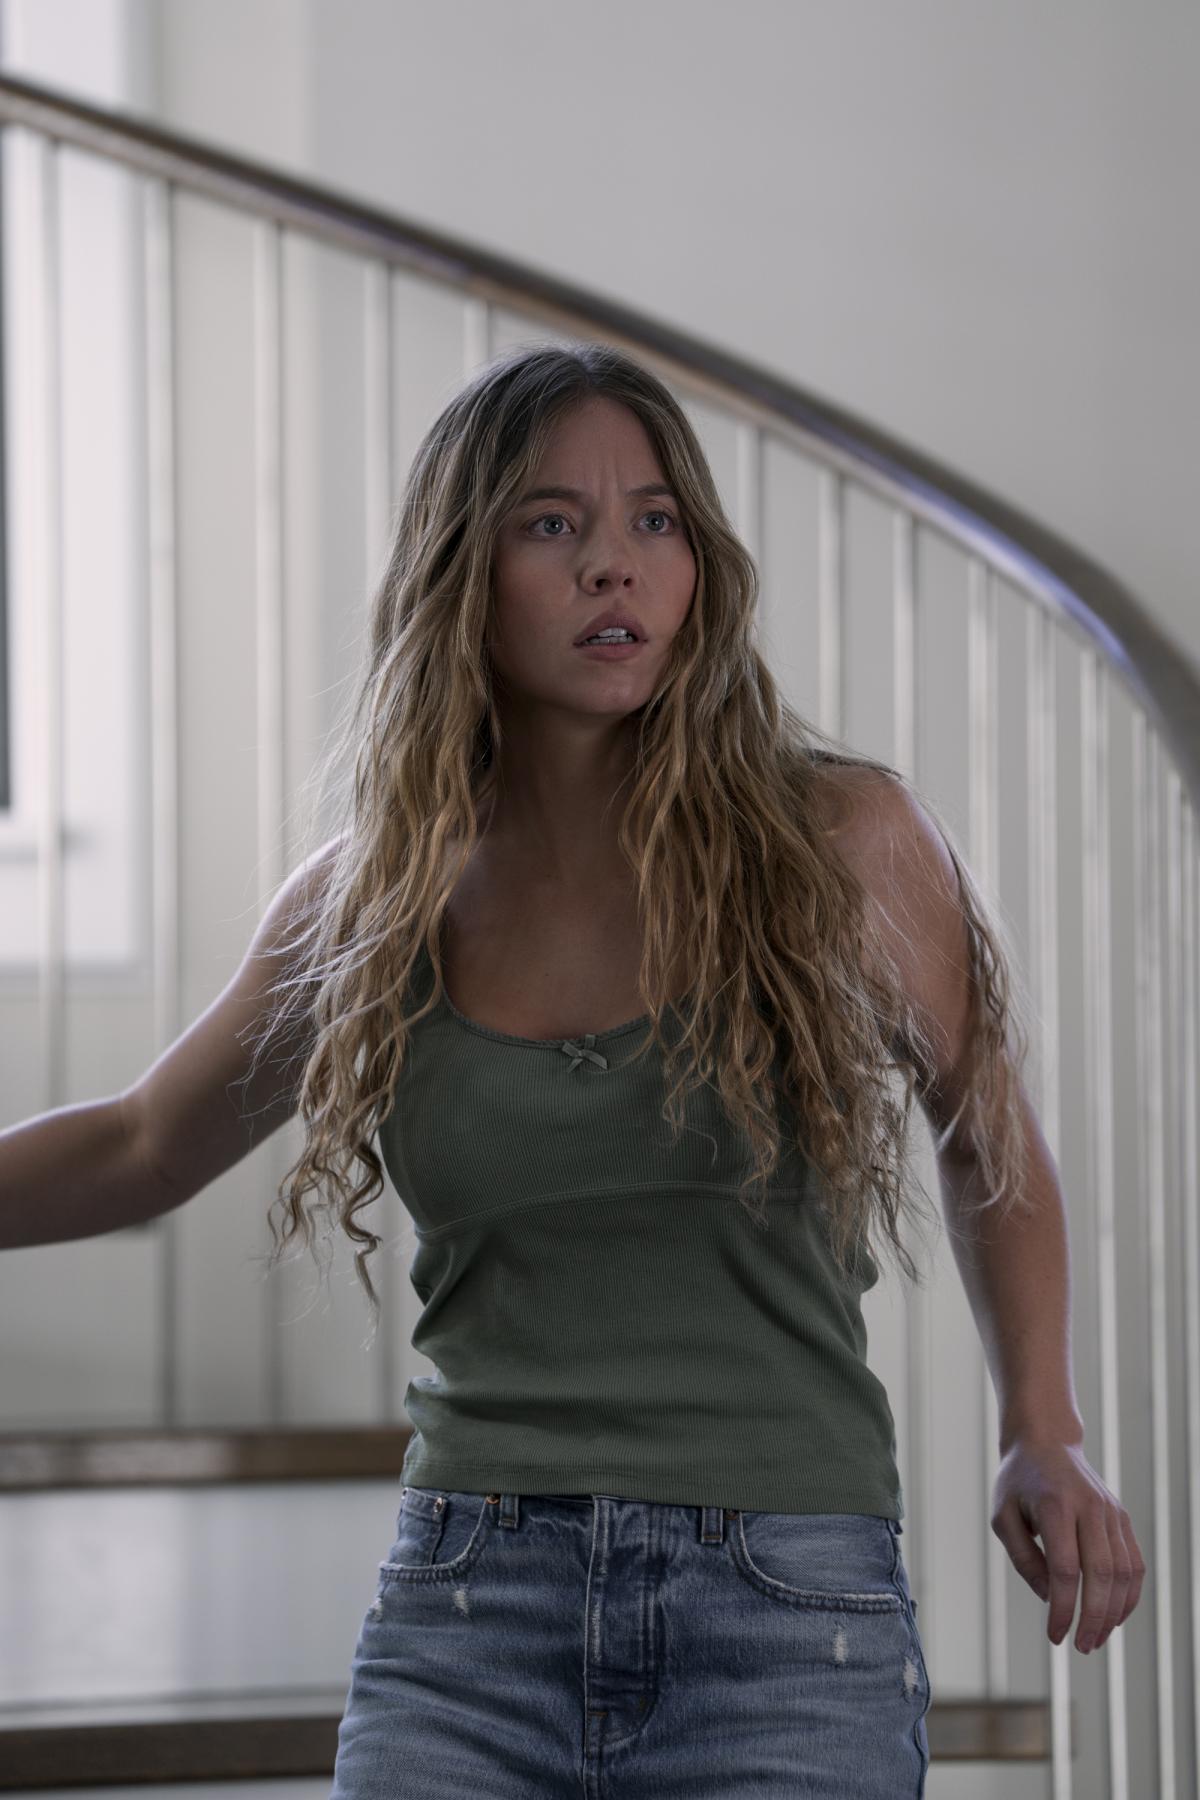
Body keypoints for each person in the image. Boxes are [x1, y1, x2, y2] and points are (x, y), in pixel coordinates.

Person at [1, 343, 1144, 1797]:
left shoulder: (840, 841)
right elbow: (140, 1143)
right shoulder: (377, 900)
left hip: (786, 1618)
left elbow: (986, 1133)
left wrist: (1044, 1429)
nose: (616, 564)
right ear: (461, 575)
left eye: (655, 520)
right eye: (553, 523)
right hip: (469, 1612)